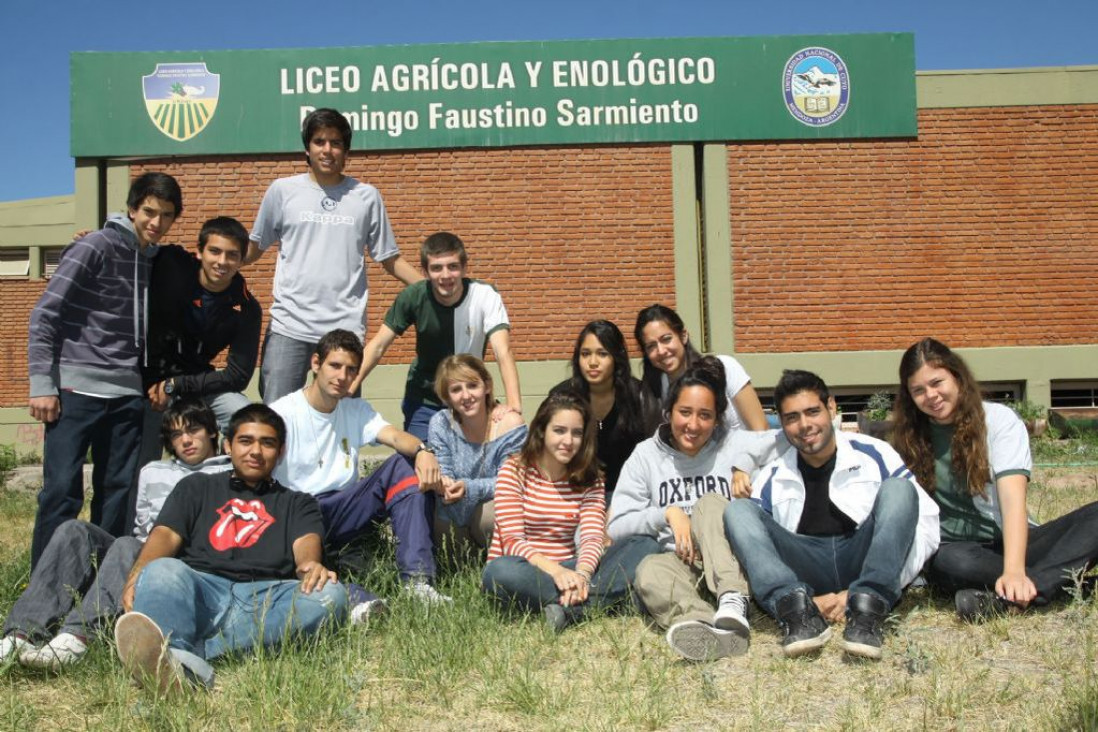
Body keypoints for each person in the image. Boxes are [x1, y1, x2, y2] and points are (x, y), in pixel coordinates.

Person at [114, 404, 348, 693]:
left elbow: (306, 544)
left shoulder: (298, 502)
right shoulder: (196, 486)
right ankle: (173, 657)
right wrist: (138, 572)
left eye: (268, 443)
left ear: (281, 450)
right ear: (228, 445)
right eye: (246, 441)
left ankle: (179, 656)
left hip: (263, 600)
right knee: (161, 569)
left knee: (331, 596)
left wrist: (310, 565)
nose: (256, 451)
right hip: (200, 588)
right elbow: (165, 534)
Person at [724, 370, 940, 660]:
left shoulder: (875, 453)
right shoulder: (774, 474)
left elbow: (925, 522)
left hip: (864, 557)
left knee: (900, 490)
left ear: (832, 407)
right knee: (738, 510)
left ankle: (868, 610)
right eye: (792, 418)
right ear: (783, 424)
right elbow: (757, 551)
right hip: (804, 564)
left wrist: (874, 587)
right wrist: (810, 601)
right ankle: (796, 610)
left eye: (813, 412)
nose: (804, 425)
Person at [27, 172, 183, 568]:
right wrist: (42, 384)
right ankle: (43, 582)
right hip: (76, 391)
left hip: (126, 395)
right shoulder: (95, 245)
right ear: (132, 209)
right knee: (62, 490)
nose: (156, 222)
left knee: (116, 491)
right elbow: (44, 314)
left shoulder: (155, 260)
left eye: (166, 215)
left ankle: (98, 579)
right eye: (149, 212)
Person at [0, 400, 229, 670]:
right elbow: (143, 524)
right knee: (74, 530)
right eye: (177, 435)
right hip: (142, 549)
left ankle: (77, 637)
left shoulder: (226, 471)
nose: (186, 440)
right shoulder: (154, 471)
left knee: (127, 545)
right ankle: (19, 635)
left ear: (212, 431)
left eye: (194, 431)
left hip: (180, 559)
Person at [893, 337, 1098, 620]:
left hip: (1014, 543)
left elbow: (1013, 499)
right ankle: (1068, 585)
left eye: (937, 382)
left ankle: (1014, 595)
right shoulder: (908, 439)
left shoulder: (998, 421)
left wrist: (1014, 570)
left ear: (957, 377)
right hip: (959, 553)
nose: (931, 395)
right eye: (918, 390)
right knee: (948, 563)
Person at [608, 358, 781, 661]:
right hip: (684, 564)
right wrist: (666, 513)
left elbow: (791, 438)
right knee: (649, 570)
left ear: (717, 420)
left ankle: (732, 598)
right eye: (684, 412)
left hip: (732, 563)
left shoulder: (732, 443)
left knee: (710, 504)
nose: (693, 425)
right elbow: (617, 524)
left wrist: (745, 464)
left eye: (705, 415)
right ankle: (704, 625)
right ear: (669, 412)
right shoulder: (646, 456)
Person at [247, 108, 421, 405]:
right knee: (277, 418)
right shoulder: (282, 191)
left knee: (342, 421)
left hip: (344, 330)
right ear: (307, 148)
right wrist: (212, 268)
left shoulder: (366, 197)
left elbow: (390, 258)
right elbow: (252, 249)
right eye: (319, 142)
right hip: (290, 326)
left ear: (346, 150)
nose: (327, 150)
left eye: (335, 143)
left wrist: (433, 290)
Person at [270, 329, 450, 603]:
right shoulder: (282, 413)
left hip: (345, 508)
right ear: (316, 364)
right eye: (335, 366)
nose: (342, 376)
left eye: (351, 369)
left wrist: (424, 450)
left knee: (404, 463)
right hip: (299, 515)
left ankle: (417, 582)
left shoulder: (355, 410)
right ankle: (353, 598)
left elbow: (394, 436)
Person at [482, 394, 660, 632]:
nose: (568, 441)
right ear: (542, 430)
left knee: (645, 544)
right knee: (497, 573)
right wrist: (557, 572)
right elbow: (513, 541)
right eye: (559, 430)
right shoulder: (514, 470)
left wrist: (582, 575)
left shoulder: (590, 477)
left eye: (576, 433)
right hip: (528, 568)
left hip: (572, 567)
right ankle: (612, 601)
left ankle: (572, 609)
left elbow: (592, 537)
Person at [355, 232, 521, 440]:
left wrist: (513, 406)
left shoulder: (485, 295)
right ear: (425, 271)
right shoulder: (413, 296)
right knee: (426, 464)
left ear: (464, 268)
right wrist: (349, 388)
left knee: (512, 428)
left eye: (452, 266)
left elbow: (502, 350)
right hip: (426, 402)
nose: (445, 275)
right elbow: (378, 345)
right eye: (436, 268)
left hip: (471, 398)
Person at [139, 216, 261, 463]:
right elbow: (133, 248)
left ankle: (230, 490)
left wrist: (176, 385)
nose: (222, 262)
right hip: (146, 382)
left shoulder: (246, 306)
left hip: (195, 383)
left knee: (245, 418)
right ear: (200, 251)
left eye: (232, 255)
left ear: (242, 259)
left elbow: (237, 376)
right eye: (214, 252)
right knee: (141, 461)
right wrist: (102, 238)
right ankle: (141, 495)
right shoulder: (171, 264)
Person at [549, 320, 660, 502]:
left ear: (616, 357)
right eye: (585, 354)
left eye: (602, 354)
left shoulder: (640, 397)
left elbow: (654, 456)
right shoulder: (561, 397)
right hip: (572, 495)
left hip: (629, 497)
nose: (592, 362)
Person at [428, 355, 527, 552]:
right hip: (457, 509)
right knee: (439, 518)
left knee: (491, 516)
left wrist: (469, 488)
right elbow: (444, 469)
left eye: (472, 385)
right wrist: (444, 483)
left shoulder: (510, 424)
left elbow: (513, 482)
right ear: (447, 397)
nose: (466, 396)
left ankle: (505, 565)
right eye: (456, 389)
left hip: (495, 506)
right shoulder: (440, 423)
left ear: (487, 386)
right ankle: (462, 571)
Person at [634, 304, 768, 432]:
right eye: (651, 346)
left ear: (683, 335)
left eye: (666, 339)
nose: (661, 350)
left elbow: (760, 430)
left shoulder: (724, 368)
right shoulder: (655, 392)